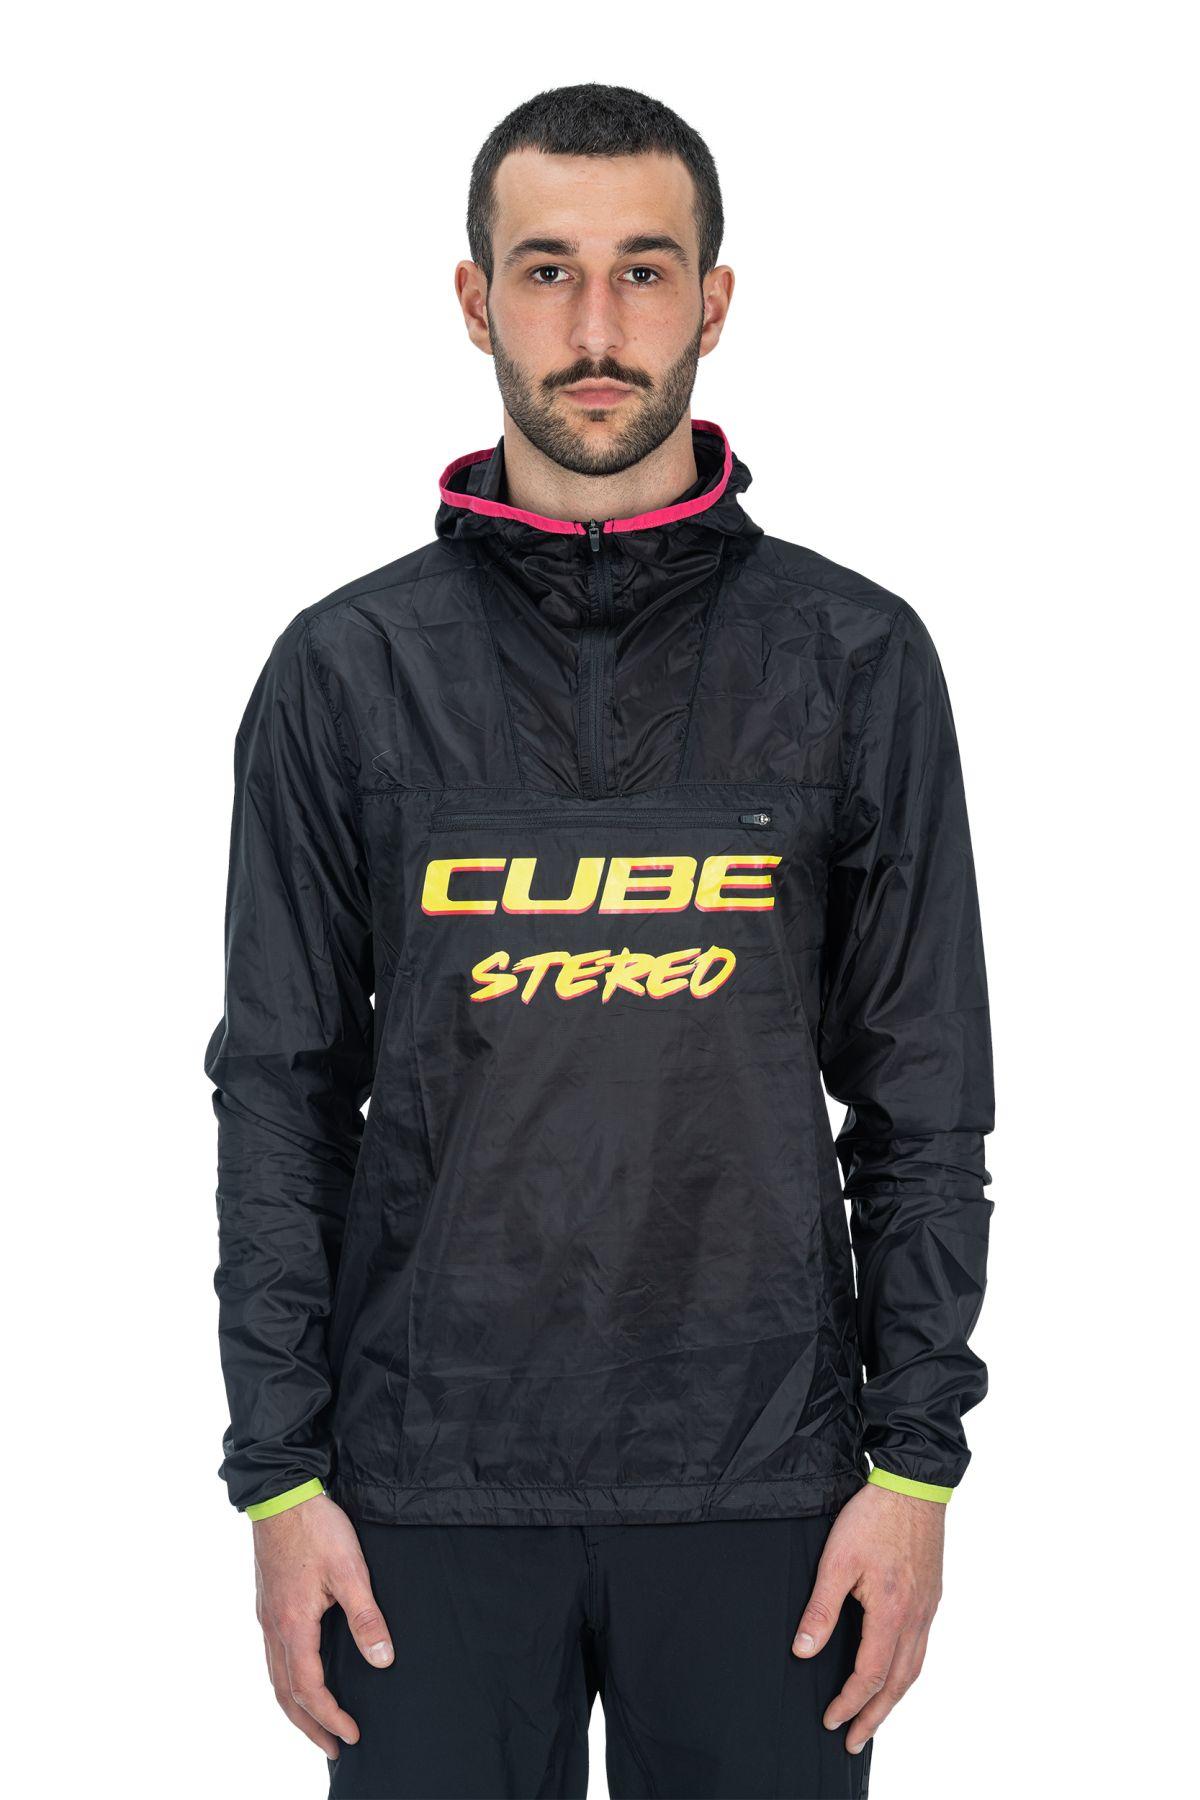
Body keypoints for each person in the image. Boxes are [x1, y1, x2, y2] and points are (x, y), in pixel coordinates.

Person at [203, 82, 994, 1800]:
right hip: (420, 1489)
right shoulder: (347, 672)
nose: (595, 327)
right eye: (546, 270)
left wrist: (916, 1469)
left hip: (770, 1487)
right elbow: (278, 1096)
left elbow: (925, 1102)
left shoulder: (856, 660)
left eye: (644, 271)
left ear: (714, 300)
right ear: (474, 298)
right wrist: (280, 1478)